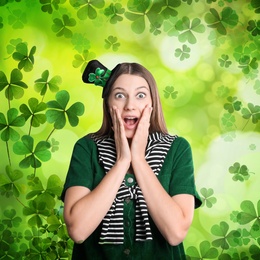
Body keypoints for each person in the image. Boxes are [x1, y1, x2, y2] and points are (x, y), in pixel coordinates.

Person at [61, 60, 202, 259]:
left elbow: (175, 233)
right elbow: (78, 231)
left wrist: (138, 159)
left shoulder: (177, 149)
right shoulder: (87, 148)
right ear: (108, 103)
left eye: (140, 95)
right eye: (119, 95)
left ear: (152, 103)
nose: (129, 105)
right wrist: (122, 162)